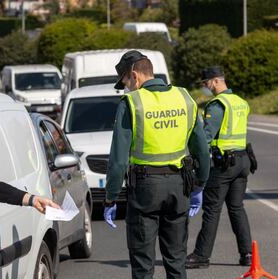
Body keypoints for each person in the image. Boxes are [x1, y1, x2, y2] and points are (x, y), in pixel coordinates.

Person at [103, 50, 210, 279]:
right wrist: (200, 183)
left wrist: (111, 196)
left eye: (125, 82)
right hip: (180, 186)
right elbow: (202, 147)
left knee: (143, 263)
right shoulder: (184, 97)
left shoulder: (132, 103)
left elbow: (118, 159)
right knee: (176, 259)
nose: (126, 88)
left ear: (134, 75)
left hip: (145, 189)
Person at [185, 66, 253, 268]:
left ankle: (201, 256)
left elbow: (206, 138)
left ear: (215, 81)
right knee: (236, 207)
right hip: (243, 161)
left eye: (205, 83)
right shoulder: (241, 102)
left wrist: (196, 161)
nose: (205, 87)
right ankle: (247, 254)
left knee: (212, 210)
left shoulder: (217, 105)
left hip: (224, 164)